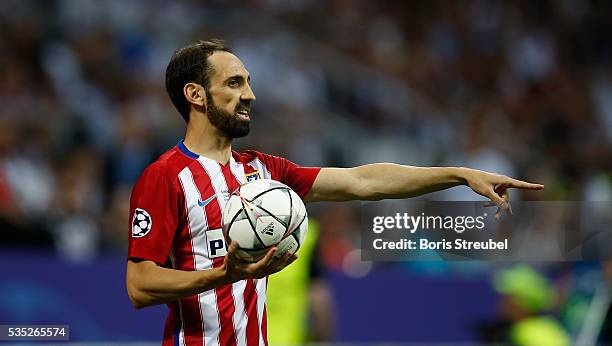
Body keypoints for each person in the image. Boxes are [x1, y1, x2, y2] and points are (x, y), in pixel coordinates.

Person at [126, 39, 544, 346]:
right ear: (196, 94)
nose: (250, 94)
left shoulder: (263, 170)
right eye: (234, 83)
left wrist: (456, 174)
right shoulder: (165, 176)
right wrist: (222, 275)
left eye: (248, 82)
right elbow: (139, 285)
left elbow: (363, 181)